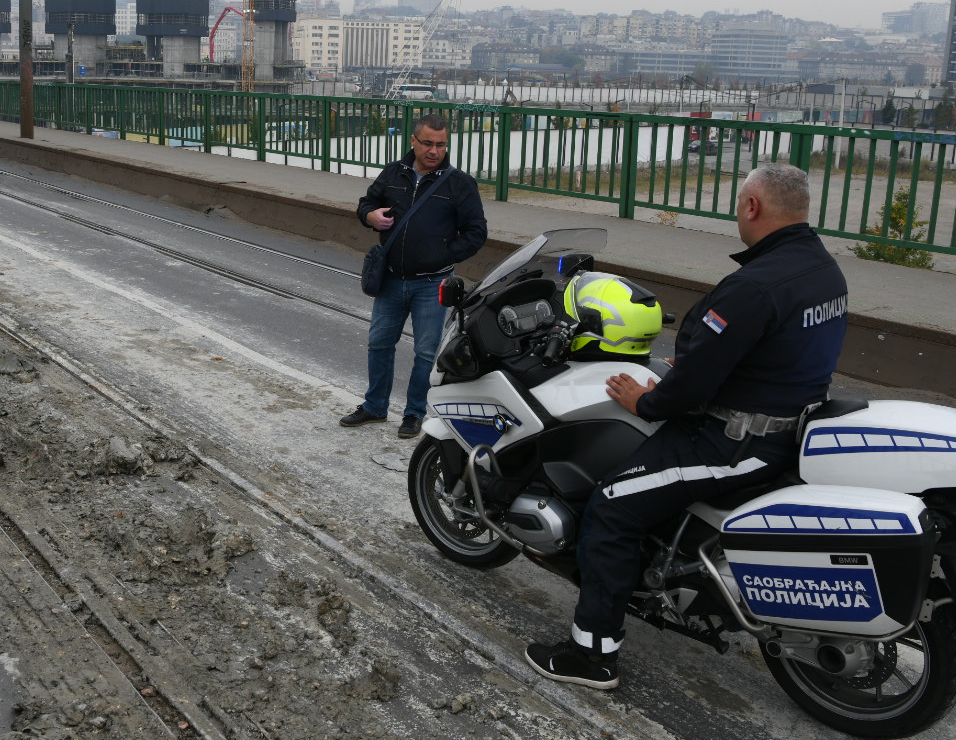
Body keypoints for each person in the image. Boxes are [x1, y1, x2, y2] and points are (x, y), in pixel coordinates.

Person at [526, 162, 848, 690]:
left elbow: (687, 391)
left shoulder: (755, 285)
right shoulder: (822, 270)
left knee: (611, 506)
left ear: (752, 207)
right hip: (787, 423)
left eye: (739, 205)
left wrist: (647, 401)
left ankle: (592, 655)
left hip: (733, 443)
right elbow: (775, 355)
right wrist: (704, 372)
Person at [340, 113, 488, 439]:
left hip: (431, 283)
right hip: (391, 279)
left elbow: (476, 233)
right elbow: (367, 202)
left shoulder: (458, 183)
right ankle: (375, 406)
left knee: (425, 352)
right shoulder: (394, 173)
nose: (435, 150)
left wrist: (443, 255)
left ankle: (414, 413)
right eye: (428, 143)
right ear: (414, 141)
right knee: (379, 344)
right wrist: (370, 216)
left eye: (441, 144)